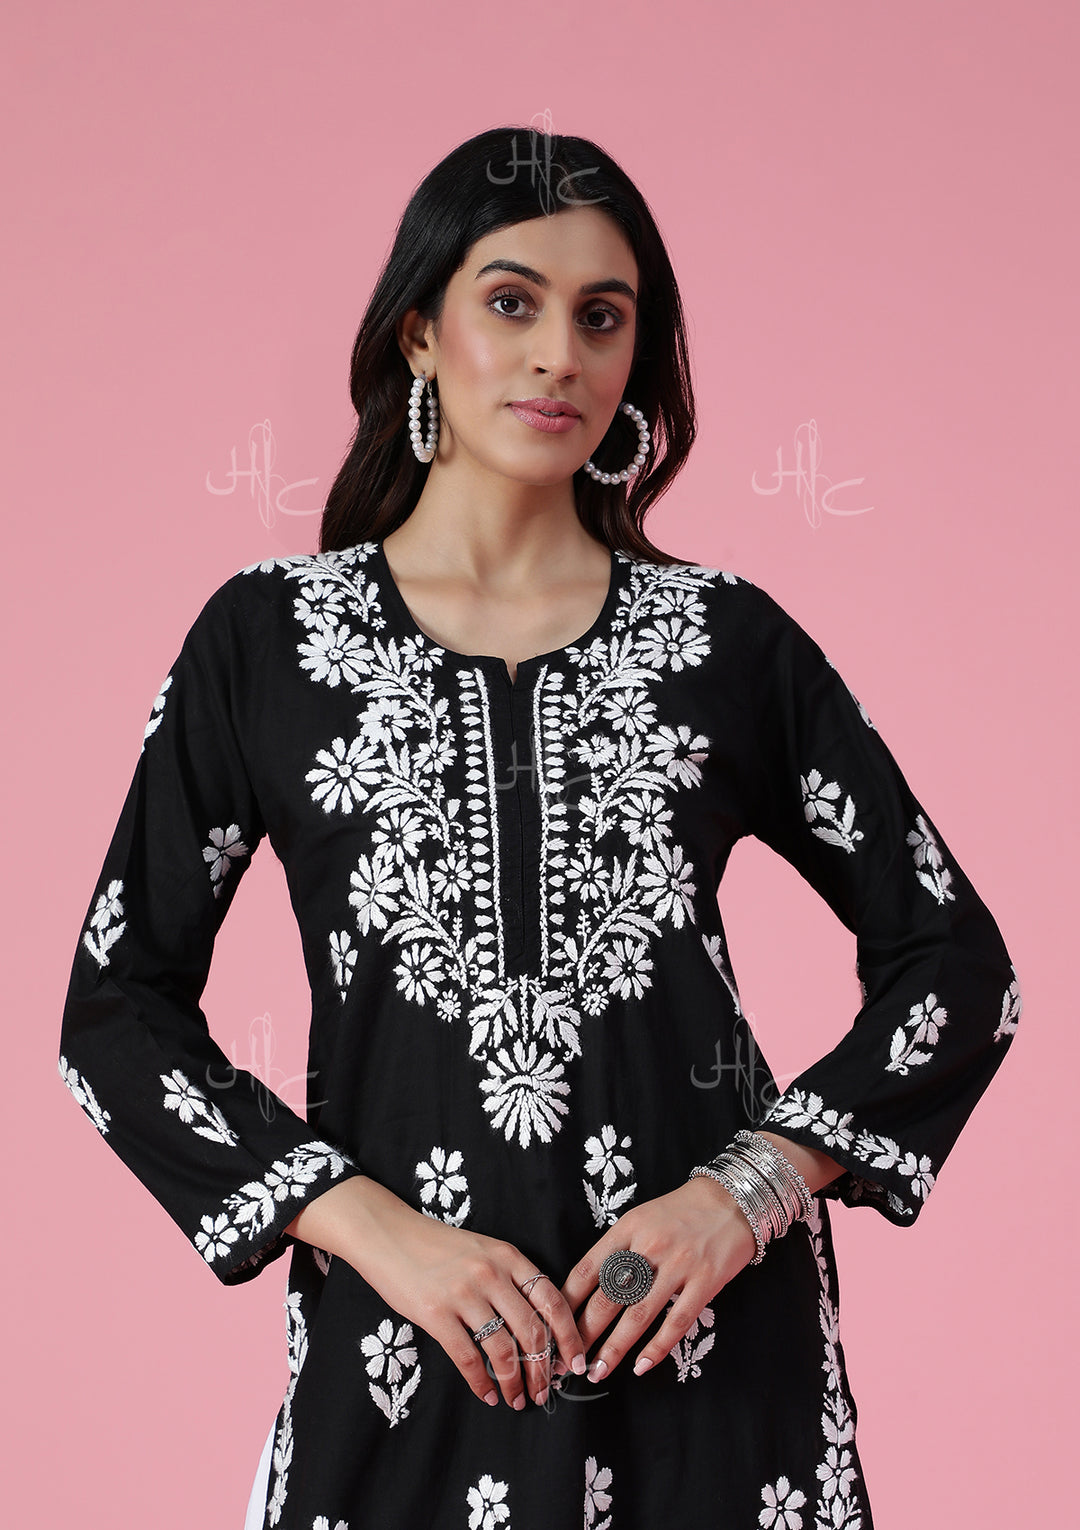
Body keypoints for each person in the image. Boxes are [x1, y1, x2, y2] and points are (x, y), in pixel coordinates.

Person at [58, 126, 1021, 1530]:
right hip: (406, 1366)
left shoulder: (725, 642)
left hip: (711, 1370)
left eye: (602, 317)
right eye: (511, 302)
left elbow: (958, 965)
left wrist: (746, 1194)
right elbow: (116, 1011)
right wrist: (372, 1230)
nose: (558, 353)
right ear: (420, 333)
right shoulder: (266, 644)